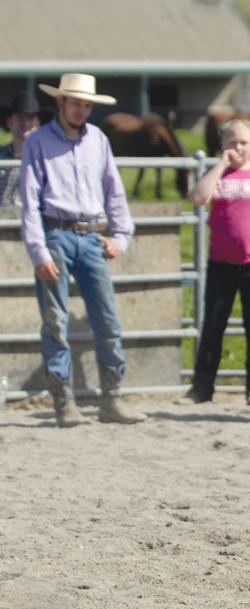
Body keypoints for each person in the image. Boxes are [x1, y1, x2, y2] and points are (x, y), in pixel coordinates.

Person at [20, 73, 146, 426]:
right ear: (60, 102)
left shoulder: (98, 140)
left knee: (107, 319)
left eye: (87, 104)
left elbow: (114, 190)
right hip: (55, 234)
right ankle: (64, 403)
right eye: (76, 103)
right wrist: (39, 251)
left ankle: (111, 399)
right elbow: (30, 199)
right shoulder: (38, 142)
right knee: (55, 320)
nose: (82, 110)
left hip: (92, 236)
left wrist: (121, 236)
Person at [180, 118, 250, 406]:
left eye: (243, 142)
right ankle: (201, 388)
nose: (238, 147)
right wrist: (220, 165)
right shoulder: (216, 175)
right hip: (221, 261)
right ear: (222, 144)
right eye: (232, 141)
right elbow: (198, 197)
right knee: (214, 325)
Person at [1, 92, 53, 216]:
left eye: (31, 118)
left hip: (29, 223)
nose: (25, 123)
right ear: (9, 122)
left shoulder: (47, 161)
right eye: (20, 117)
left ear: (39, 124)